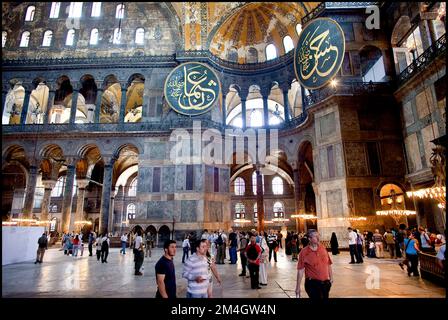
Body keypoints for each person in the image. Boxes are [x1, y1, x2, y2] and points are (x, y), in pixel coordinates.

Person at [295, 229, 333, 301]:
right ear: (309, 239)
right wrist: (298, 287)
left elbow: (328, 263)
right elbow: (300, 270)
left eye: (318, 235)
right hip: (312, 284)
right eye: (315, 236)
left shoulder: (322, 248)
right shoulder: (304, 252)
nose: (318, 238)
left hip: (325, 284)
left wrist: (331, 278)